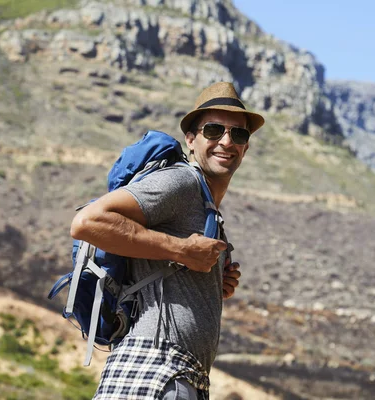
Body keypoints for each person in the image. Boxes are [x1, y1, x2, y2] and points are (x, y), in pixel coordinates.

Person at [70, 82, 265, 400]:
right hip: (153, 372)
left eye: (238, 134)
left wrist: (213, 286)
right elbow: (87, 222)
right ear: (191, 139)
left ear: (245, 146)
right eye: (213, 130)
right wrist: (183, 251)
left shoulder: (207, 207)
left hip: (175, 376)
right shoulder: (181, 181)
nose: (226, 141)